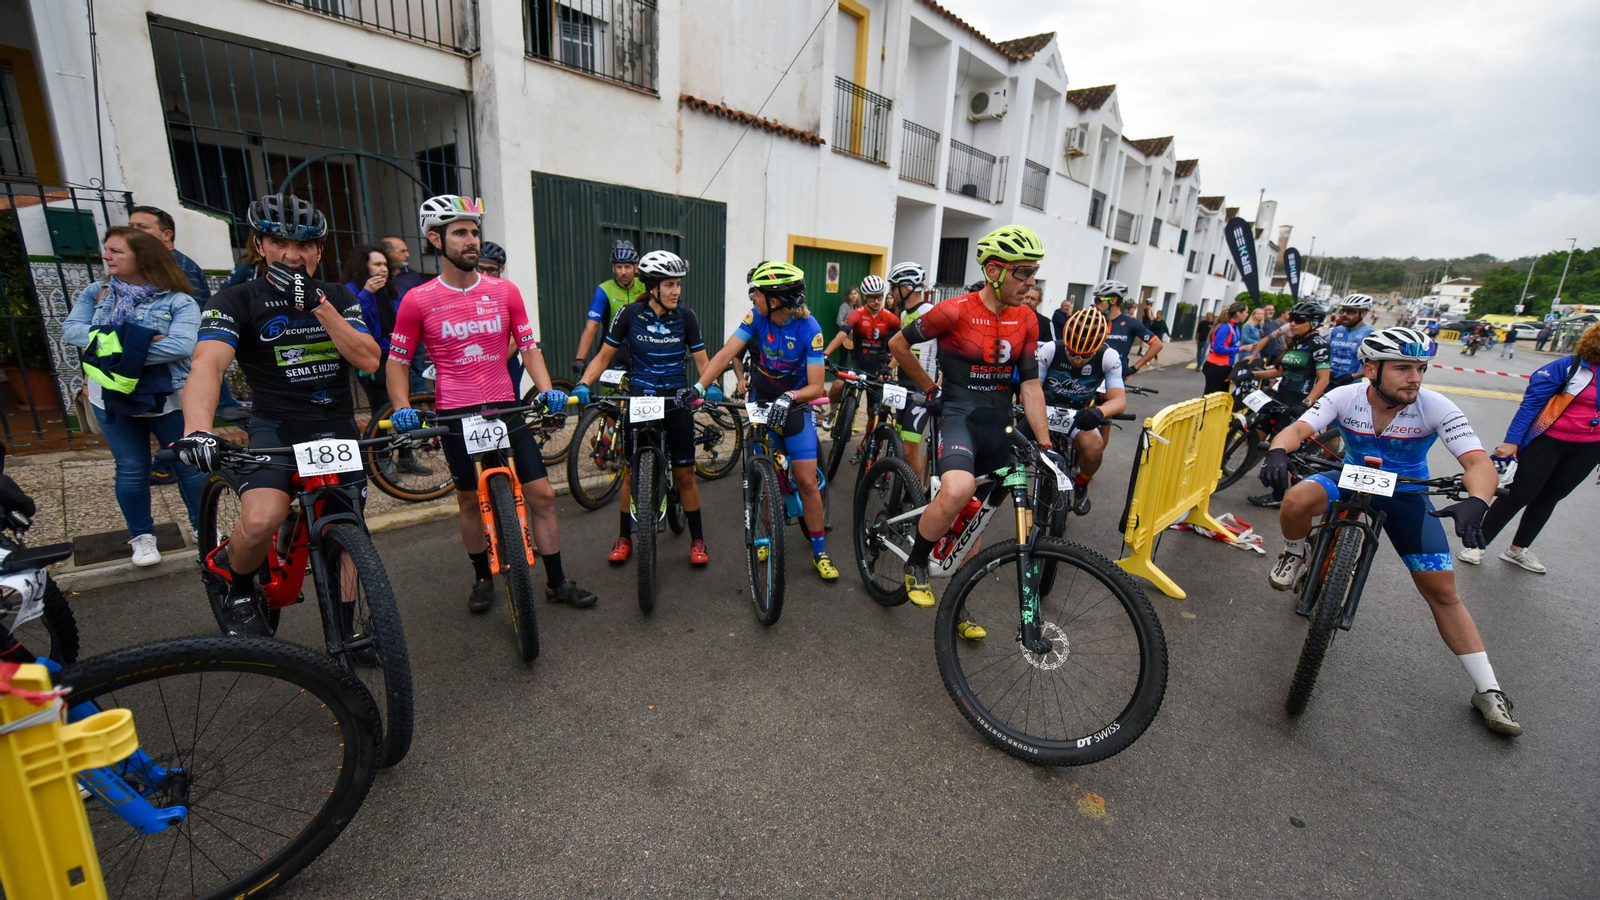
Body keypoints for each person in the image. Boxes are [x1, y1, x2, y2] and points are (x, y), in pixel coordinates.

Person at [1260, 326, 1521, 736]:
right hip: (1349, 478)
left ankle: (1488, 689)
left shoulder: (1436, 406)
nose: (1415, 377)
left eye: (1420, 368)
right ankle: (1296, 552)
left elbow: (1477, 463)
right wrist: (1278, 450)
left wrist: (1478, 501)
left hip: (1406, 492)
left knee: (1444, 593)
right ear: (1370, 369)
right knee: (1295, 499)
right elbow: (1297, 431)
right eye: (1402, 368)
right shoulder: (1343, 396)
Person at [174, 193, 383, 636]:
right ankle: (238, 585)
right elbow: (206, 364)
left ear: (319, 250)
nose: (292, 254)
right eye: (279, 242)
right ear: (260, 244)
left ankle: (348, 631)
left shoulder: (339, 295)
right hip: (278, 429)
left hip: (336, 429)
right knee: (260, 519)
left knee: (349, 535)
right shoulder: (235, 300)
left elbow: (368, 360)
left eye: (305, 245)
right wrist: (197, 430)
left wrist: (319, 305)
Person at [387, 195, 595, 612]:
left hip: (505, 405)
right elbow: (396, 362)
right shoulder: (418, 300)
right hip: (455, 410)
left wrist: (545, 390)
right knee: (467, 500)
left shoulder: (505, 291)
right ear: (435, 238)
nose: (472, 240)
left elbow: (529, 348)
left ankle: (557, 580)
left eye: (475, 232)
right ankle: (482, 577)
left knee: (542, 496)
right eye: (461, 232)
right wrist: (399, 407)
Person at [888, 225, 1052, 635]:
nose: (1031, 282)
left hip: (1000, 422)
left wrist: (1046, 443)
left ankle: (959, 603)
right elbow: (898, 345)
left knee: (978, 518)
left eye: (1034, 274)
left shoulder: (1027, 319)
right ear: (995, 270)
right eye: (1023, 273)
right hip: (960, 415)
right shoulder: (954, 310)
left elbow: (1030, 385)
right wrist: (929, 388)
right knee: (958, 491)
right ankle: (916, 562)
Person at [62, 226, 204, 566]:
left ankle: (206, 527)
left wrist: (108, 345)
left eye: (115, 251)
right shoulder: (97, 293)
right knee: (130, 469)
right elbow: (72, 331)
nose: (105, 256)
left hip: (170, 397)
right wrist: (137, 341)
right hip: (111, 396)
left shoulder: (179, 301)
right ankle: (142, 538)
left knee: (190, 466)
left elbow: (181, 346)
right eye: (106, 249)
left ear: (143, 257)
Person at [694, 261, 837, 580]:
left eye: (757, 292)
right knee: (763, 472)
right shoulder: (757, 317)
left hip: (796, 403)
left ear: (777, 299)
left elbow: (816, 385)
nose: (752, 297)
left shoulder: (810, 328)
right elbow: (724, 353)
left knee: (806, 482)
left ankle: (819, 551)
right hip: (761, 399)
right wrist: (700, 386)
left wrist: (790, 397)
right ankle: (766, 534)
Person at [573, 251, 712, 565]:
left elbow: (703, 361)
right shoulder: (628, 314)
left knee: (686, 474)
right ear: (653, 287)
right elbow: (604, 356)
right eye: (670, 285)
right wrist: (584, 383)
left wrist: (709, 386)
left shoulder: (686, 317)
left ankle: (698, 540)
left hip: (677, 400)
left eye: (678, 284)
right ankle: (624, 537)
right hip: (642, 399)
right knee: (631, 473)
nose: (677, 291)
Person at [1459, 322, 1600, 574]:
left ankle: (1517, 550)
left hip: (1589, 447)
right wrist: (1512, 440)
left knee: (1549, 498)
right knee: (1520, 494)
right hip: (1547, 440)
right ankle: (1478, 545)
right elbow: (1531, 405)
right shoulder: (1570, 366)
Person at [128, 205, 246, 445]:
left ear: (166, 234)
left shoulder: (175, 265)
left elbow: (188, 313)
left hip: (182, 356)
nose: (134, 233)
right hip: (178, 357)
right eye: (131, 227)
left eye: (142, 227)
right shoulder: (159, 264)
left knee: (183, 422)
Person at [1040, 307, 1125, 515]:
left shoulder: (1109, 356)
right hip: (1044, 410)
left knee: (1095, 447)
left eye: (1085, 356)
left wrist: (1100, 412)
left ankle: (1081, 485)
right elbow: (1026, 393)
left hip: (1078, 415)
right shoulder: (1050, 349)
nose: (1076, 360)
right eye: (1071, 353)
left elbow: (1119, 400)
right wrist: (1040, 397)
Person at [1246, 301, 1332, 507]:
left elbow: (1323, 380)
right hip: (1280, 396)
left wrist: (1307, 402)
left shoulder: (1319, 344)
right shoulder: (1297, 341)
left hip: (1297, 400)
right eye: (1291, 319)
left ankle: (1279, 494)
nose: (1293, 324)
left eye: (1299, 320)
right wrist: (1252, 374)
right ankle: (1284, 471)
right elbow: (1280, 372)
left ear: (1314, 323)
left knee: (1280, 445)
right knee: (1256, 435)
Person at [823, 275, 898, 457]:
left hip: (878, 369)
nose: (877, 301)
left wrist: (890, 364)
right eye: (872, 297)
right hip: (857, 364)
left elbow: (901, 346)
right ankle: (832, 414)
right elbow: (843, 334)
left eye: (880, 296)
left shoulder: (891, 319)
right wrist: (825, 354)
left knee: (874, 412)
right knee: (838, 385)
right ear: (865, 297)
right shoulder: (857, 314)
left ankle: (866, 447)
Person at [886, 261, 936, 476]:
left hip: (923, 389)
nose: (891, 292)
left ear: (905, 288)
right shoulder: (905, 315)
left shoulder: (931, 313)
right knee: (897, 441)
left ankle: (917, 498)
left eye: (893, 287)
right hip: (903, 385)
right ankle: (903, 484)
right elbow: (901, 350)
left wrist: (938, 387)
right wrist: (889, 367)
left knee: (909, 447)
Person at [572, 240, 646, 377]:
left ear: (636, 268)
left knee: (641, 395)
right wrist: (580, 358)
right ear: (613, 268)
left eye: (627, 267)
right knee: (611, 397)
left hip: (639, 349)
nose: (623, 272)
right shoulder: (604, 289)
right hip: (611, 350)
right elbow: (592, 326)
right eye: (619, 267)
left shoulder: (644, 287)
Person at [1092, 281, 1163, 377]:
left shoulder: (1130, 323)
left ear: (1113, 300)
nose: (1095, 304)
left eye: (1098, 300)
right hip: (1091, 377)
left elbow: (1157, 345)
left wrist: (1134, 368)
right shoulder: (1094, 321)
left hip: (1115, 379)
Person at [1325, 294, 1375, 387]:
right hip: (1326, 384)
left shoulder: (1372, 335)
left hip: (1351, 386)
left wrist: (1353, 377)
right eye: (1343, 310)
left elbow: (1377, 365)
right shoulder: (1333, 332)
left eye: (1350, 311)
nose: (1344, 314)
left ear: (1363, 313)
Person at [1203, 302, 1249, 395]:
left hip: (1226, 366)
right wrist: (1239, 349)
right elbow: (1218, 348)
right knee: (1211, 397)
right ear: (1239, 313)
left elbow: (1230, 345)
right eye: (1246, 312)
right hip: (1216, 366)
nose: (1247, 315)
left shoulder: (1235, 327)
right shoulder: (1225, 327)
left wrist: (1243, 347)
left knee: (1222, 396)